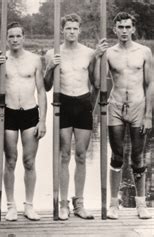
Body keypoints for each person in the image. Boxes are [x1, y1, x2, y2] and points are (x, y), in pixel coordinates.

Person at [44, 14, 106, 220]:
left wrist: (97, 58)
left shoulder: (88, 53)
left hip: (82, 103)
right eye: (68, 28)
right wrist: (50, 67)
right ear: (62, 30)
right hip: (63, 104)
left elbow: (97, 83)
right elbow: (46, 86)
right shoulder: (52, 53)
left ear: (80, 30)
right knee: (64, 155)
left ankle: (79, 202)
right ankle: (63, 204)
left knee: (81, 155)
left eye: (75, 28)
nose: (71, 32)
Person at [0, 22, 47, 221]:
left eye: (18, 36)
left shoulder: (34, 60)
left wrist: (42, 120)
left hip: (30, 112)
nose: (15, 40)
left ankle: (29, 205)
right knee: (10, 161)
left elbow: (41, 91)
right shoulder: (1, 58)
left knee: (29, 161)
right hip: (9, 113)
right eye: (11, 36)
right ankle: (10, 205)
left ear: (23, 38)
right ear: (7, 39)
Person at [103, 12, 152, 220]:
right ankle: (114, 204)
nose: (124, 31)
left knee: (138, 157)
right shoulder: (109, 53)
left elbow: (150, 84)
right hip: (115, 106)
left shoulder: (144, 52)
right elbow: (98, 83)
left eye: (127, 27)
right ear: (115, 29)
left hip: (138, 106)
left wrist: (149, 114)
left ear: (133, 29)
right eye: (120, 27)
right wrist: (98, 56)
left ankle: (141, 203)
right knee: (116, 155)